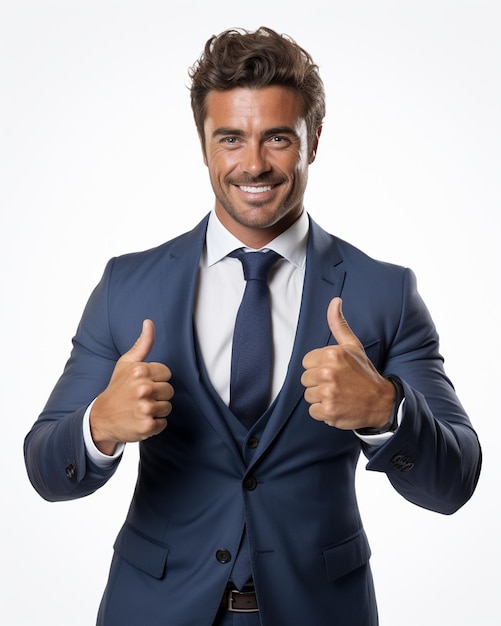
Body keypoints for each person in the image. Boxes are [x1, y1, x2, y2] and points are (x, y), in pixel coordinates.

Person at [24, 26, 481, 626]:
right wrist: (98, 427)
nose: (254, 164)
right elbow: (45, 469)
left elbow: (455, 482)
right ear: (204, 143)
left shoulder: (385, 292)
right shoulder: (127, 285)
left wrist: (386, 411)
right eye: (231, 138)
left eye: (278, 139)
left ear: (313, 141)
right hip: (153, 610)